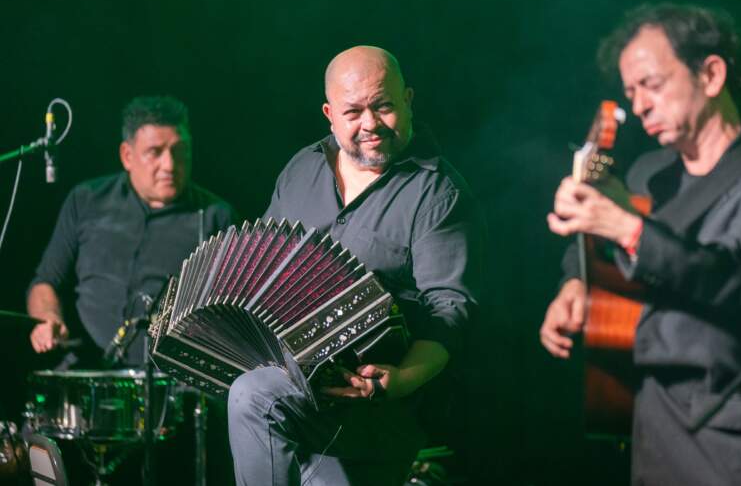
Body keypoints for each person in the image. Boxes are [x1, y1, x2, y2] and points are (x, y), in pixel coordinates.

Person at [540, 3, 741, 485]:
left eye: (652, 85)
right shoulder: (647, 175)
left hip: (737, 444)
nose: (638, 106)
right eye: (630, 92)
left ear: (712, 74)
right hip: (652, 434)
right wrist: (575, 283)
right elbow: (607, 260)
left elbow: (737, 280)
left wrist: (627, 228)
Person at [226, 46, 485, 486]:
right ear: (329, 114)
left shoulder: (439, 192)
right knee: (247, 390)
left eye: (383, 105)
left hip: (374, 411)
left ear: (408, 100)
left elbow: (450, 311)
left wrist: (401, 379)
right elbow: (262, 267)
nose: (370, 124)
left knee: (253, 395)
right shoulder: (300, 170)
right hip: (293, 391)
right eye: (353, 111)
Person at [28, 95, 237, 368]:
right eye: (155, 152)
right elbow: (45, 282)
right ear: (127, 156)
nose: (169, 165)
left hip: (169, 385)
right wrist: (48, 319)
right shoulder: (87, 200)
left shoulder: (216, 217)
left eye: (179, 150)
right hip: (85, 372)